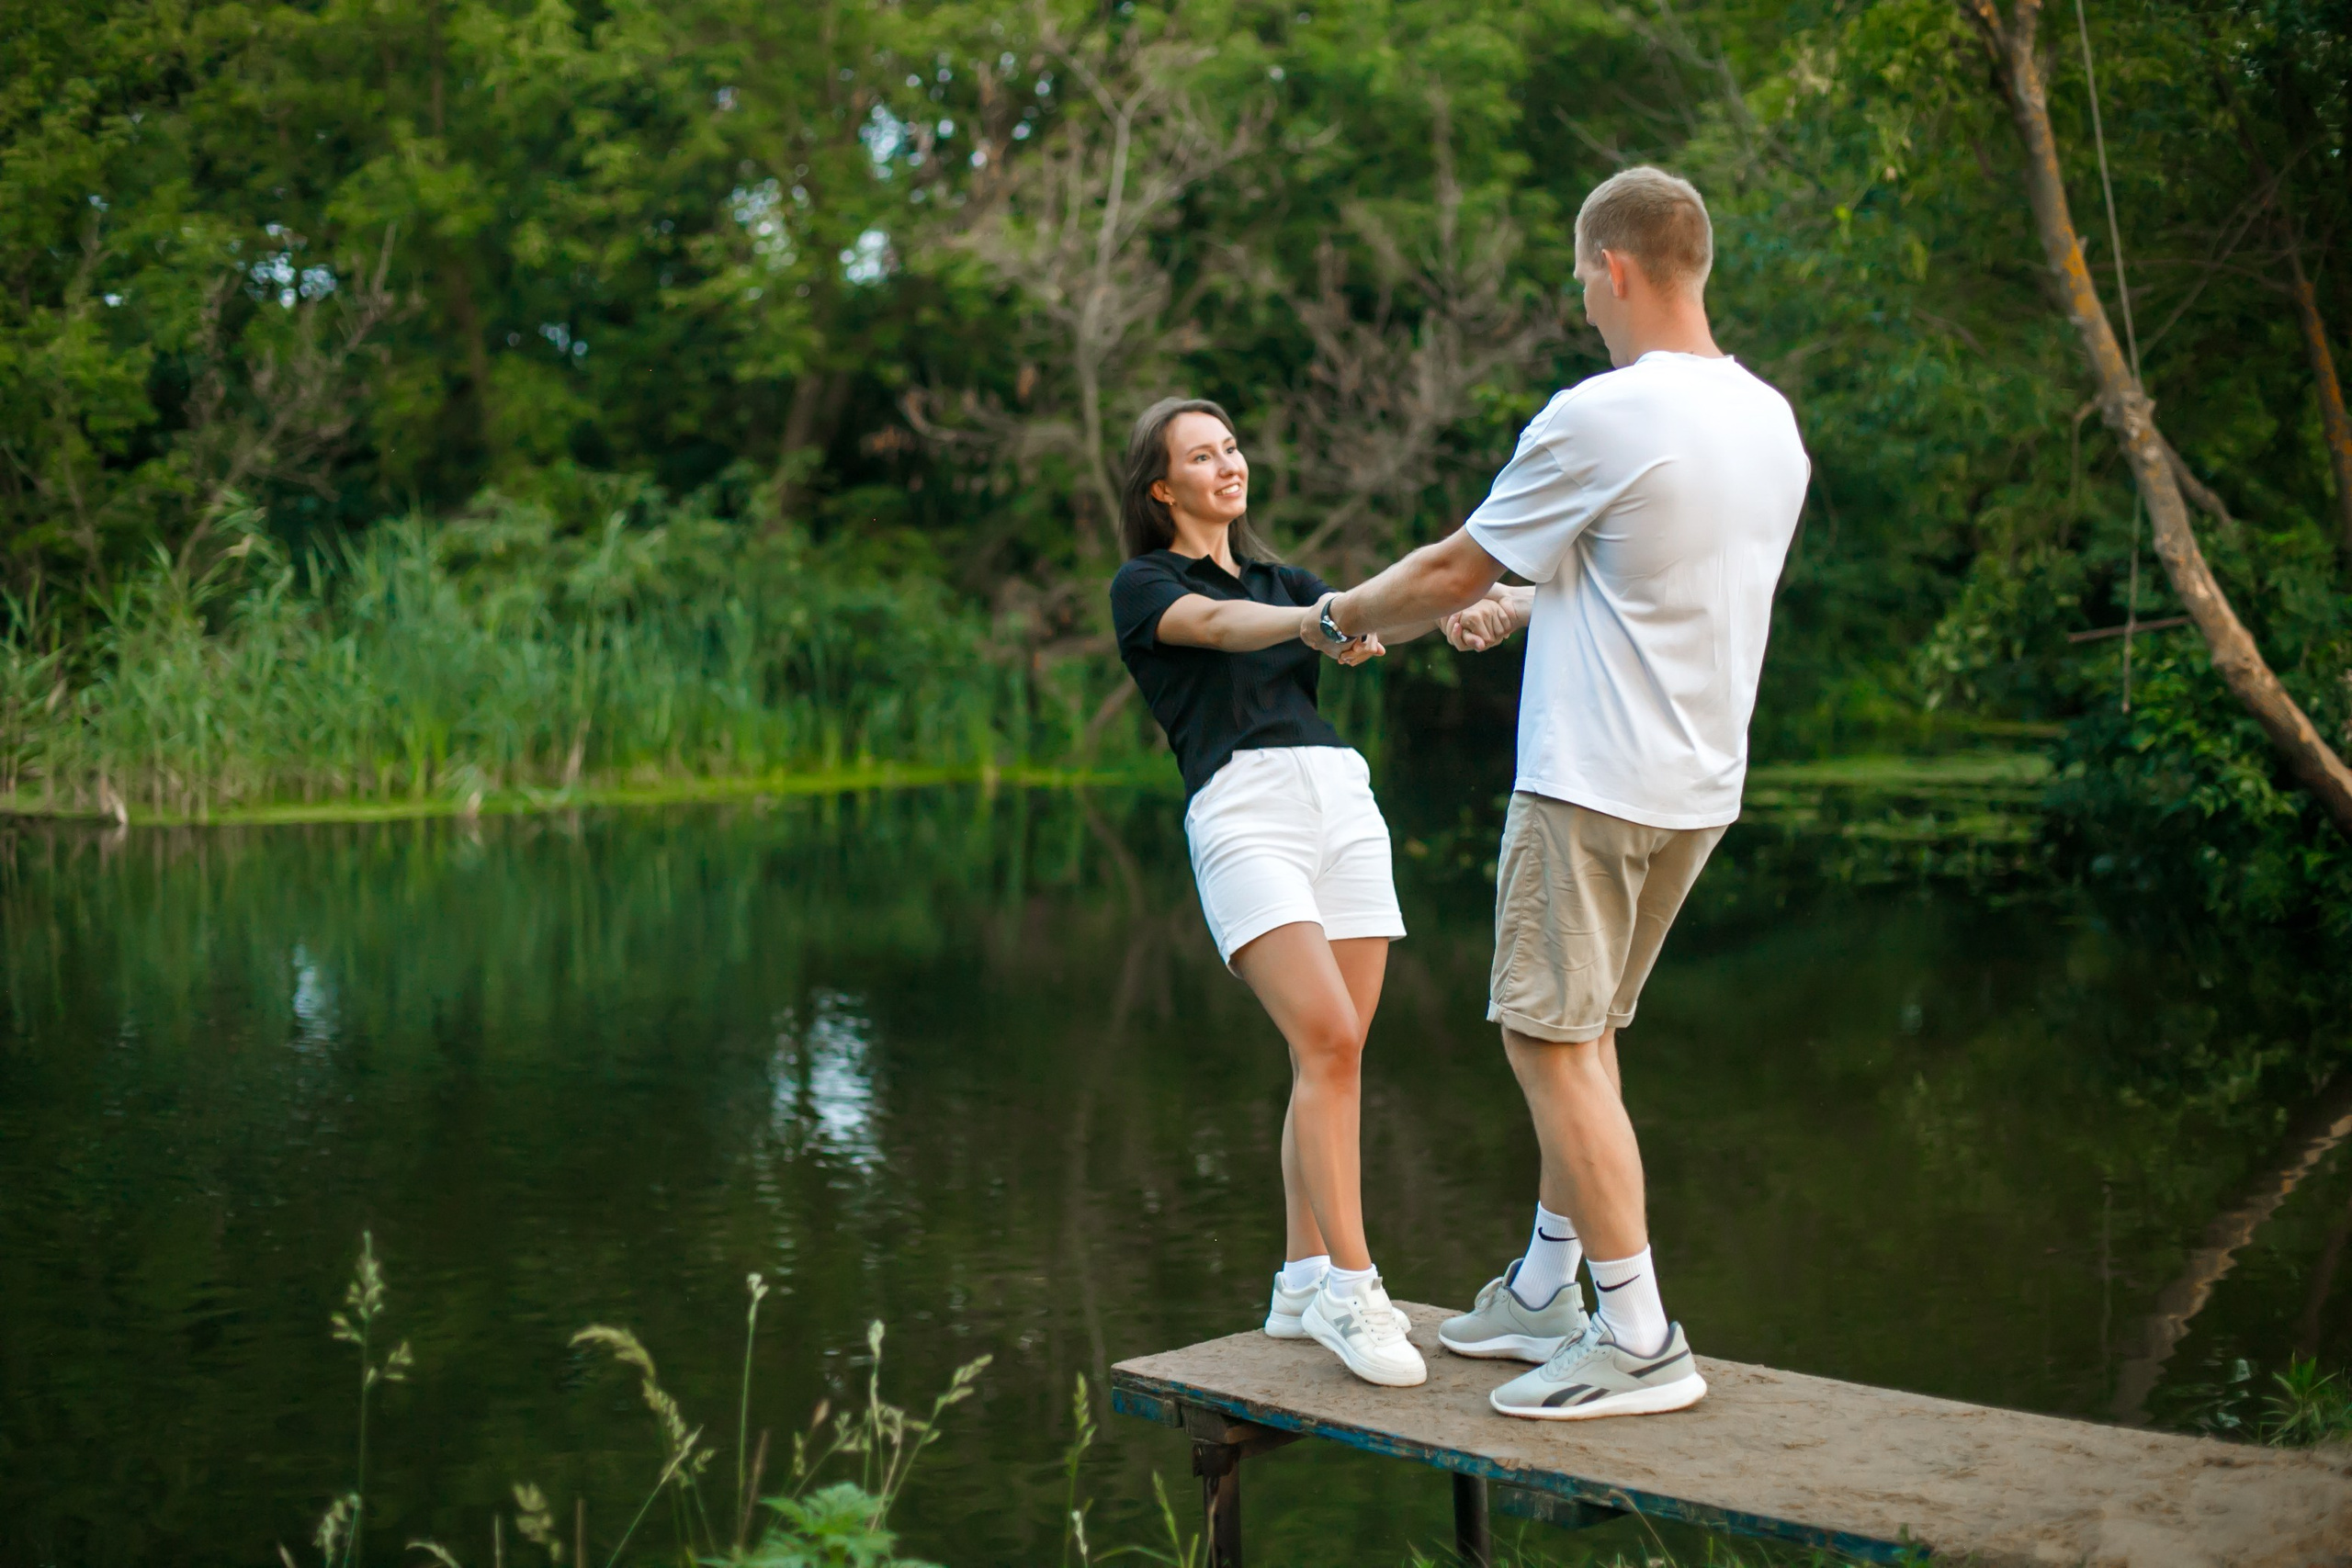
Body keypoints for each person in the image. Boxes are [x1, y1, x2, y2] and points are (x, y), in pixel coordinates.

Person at [1305, 167, 1809, 1419]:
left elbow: (1447, 568)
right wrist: (1531, 605)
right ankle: (1543, 1287)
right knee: (1584, 1037)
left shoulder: (1602, 412)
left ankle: (1639, 1337)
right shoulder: (1768, 421)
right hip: (1695, 786)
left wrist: (1342, 616)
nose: (1582, 300)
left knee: (1546, 1037)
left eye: (1583, 277)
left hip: (1590, 782)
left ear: (1614, 267)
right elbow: (1668, 582)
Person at [1109, 397, 1437, 1389]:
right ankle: (1351, 1285)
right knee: (1328, 1040)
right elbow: (1217, 626)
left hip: (1340, 798)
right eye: (1201, 456)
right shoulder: (1147, 584)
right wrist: (1317, 623)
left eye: (1232, 447)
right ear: (1161, 487)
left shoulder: (1284, 578)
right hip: (1244, 808)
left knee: (1332, 1054)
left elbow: (1365, 611)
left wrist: (1456, 606)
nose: (1228, 465)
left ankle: (1300, 1279)